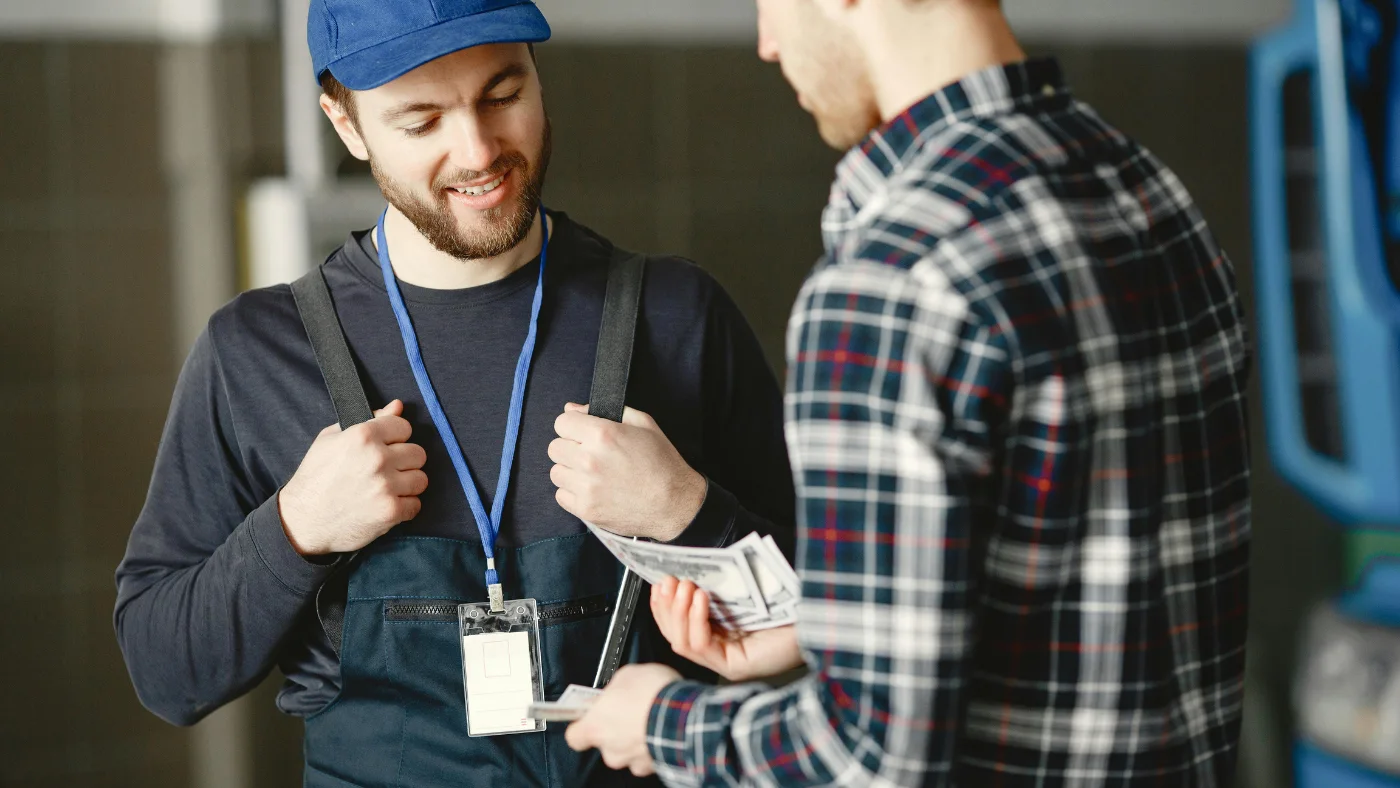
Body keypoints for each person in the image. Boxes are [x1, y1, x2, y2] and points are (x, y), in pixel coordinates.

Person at [564, 0, 1253, 785]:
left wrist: (662, 722)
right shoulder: (1148, 192)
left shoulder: (896, 277)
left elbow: (871, 763)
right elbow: (1075, 582)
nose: (766, 41)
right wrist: (818, 629)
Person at [113, 1, 794, 785]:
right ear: (346, 124)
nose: (478, 151)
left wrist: (691, 513)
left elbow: (846, 615)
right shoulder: (256, 351)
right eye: (420, 121)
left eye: (503, 96)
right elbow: (166, 674)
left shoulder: (677, 316)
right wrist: (294, 530)